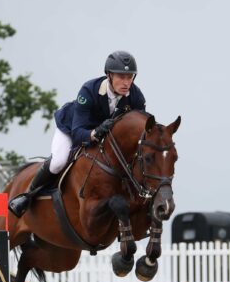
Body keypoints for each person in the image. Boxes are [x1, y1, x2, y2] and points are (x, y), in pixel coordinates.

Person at [8, 50, 146, 217]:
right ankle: (27, 196)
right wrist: (96, 132)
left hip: (105, 138)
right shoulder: (89, 90)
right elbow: (78, 133)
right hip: (72, 128)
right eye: (121, 77)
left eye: (130, 77)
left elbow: (140, 130)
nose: (126, 82)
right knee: (59, 161)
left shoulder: (136, 97)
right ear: (109, 75)